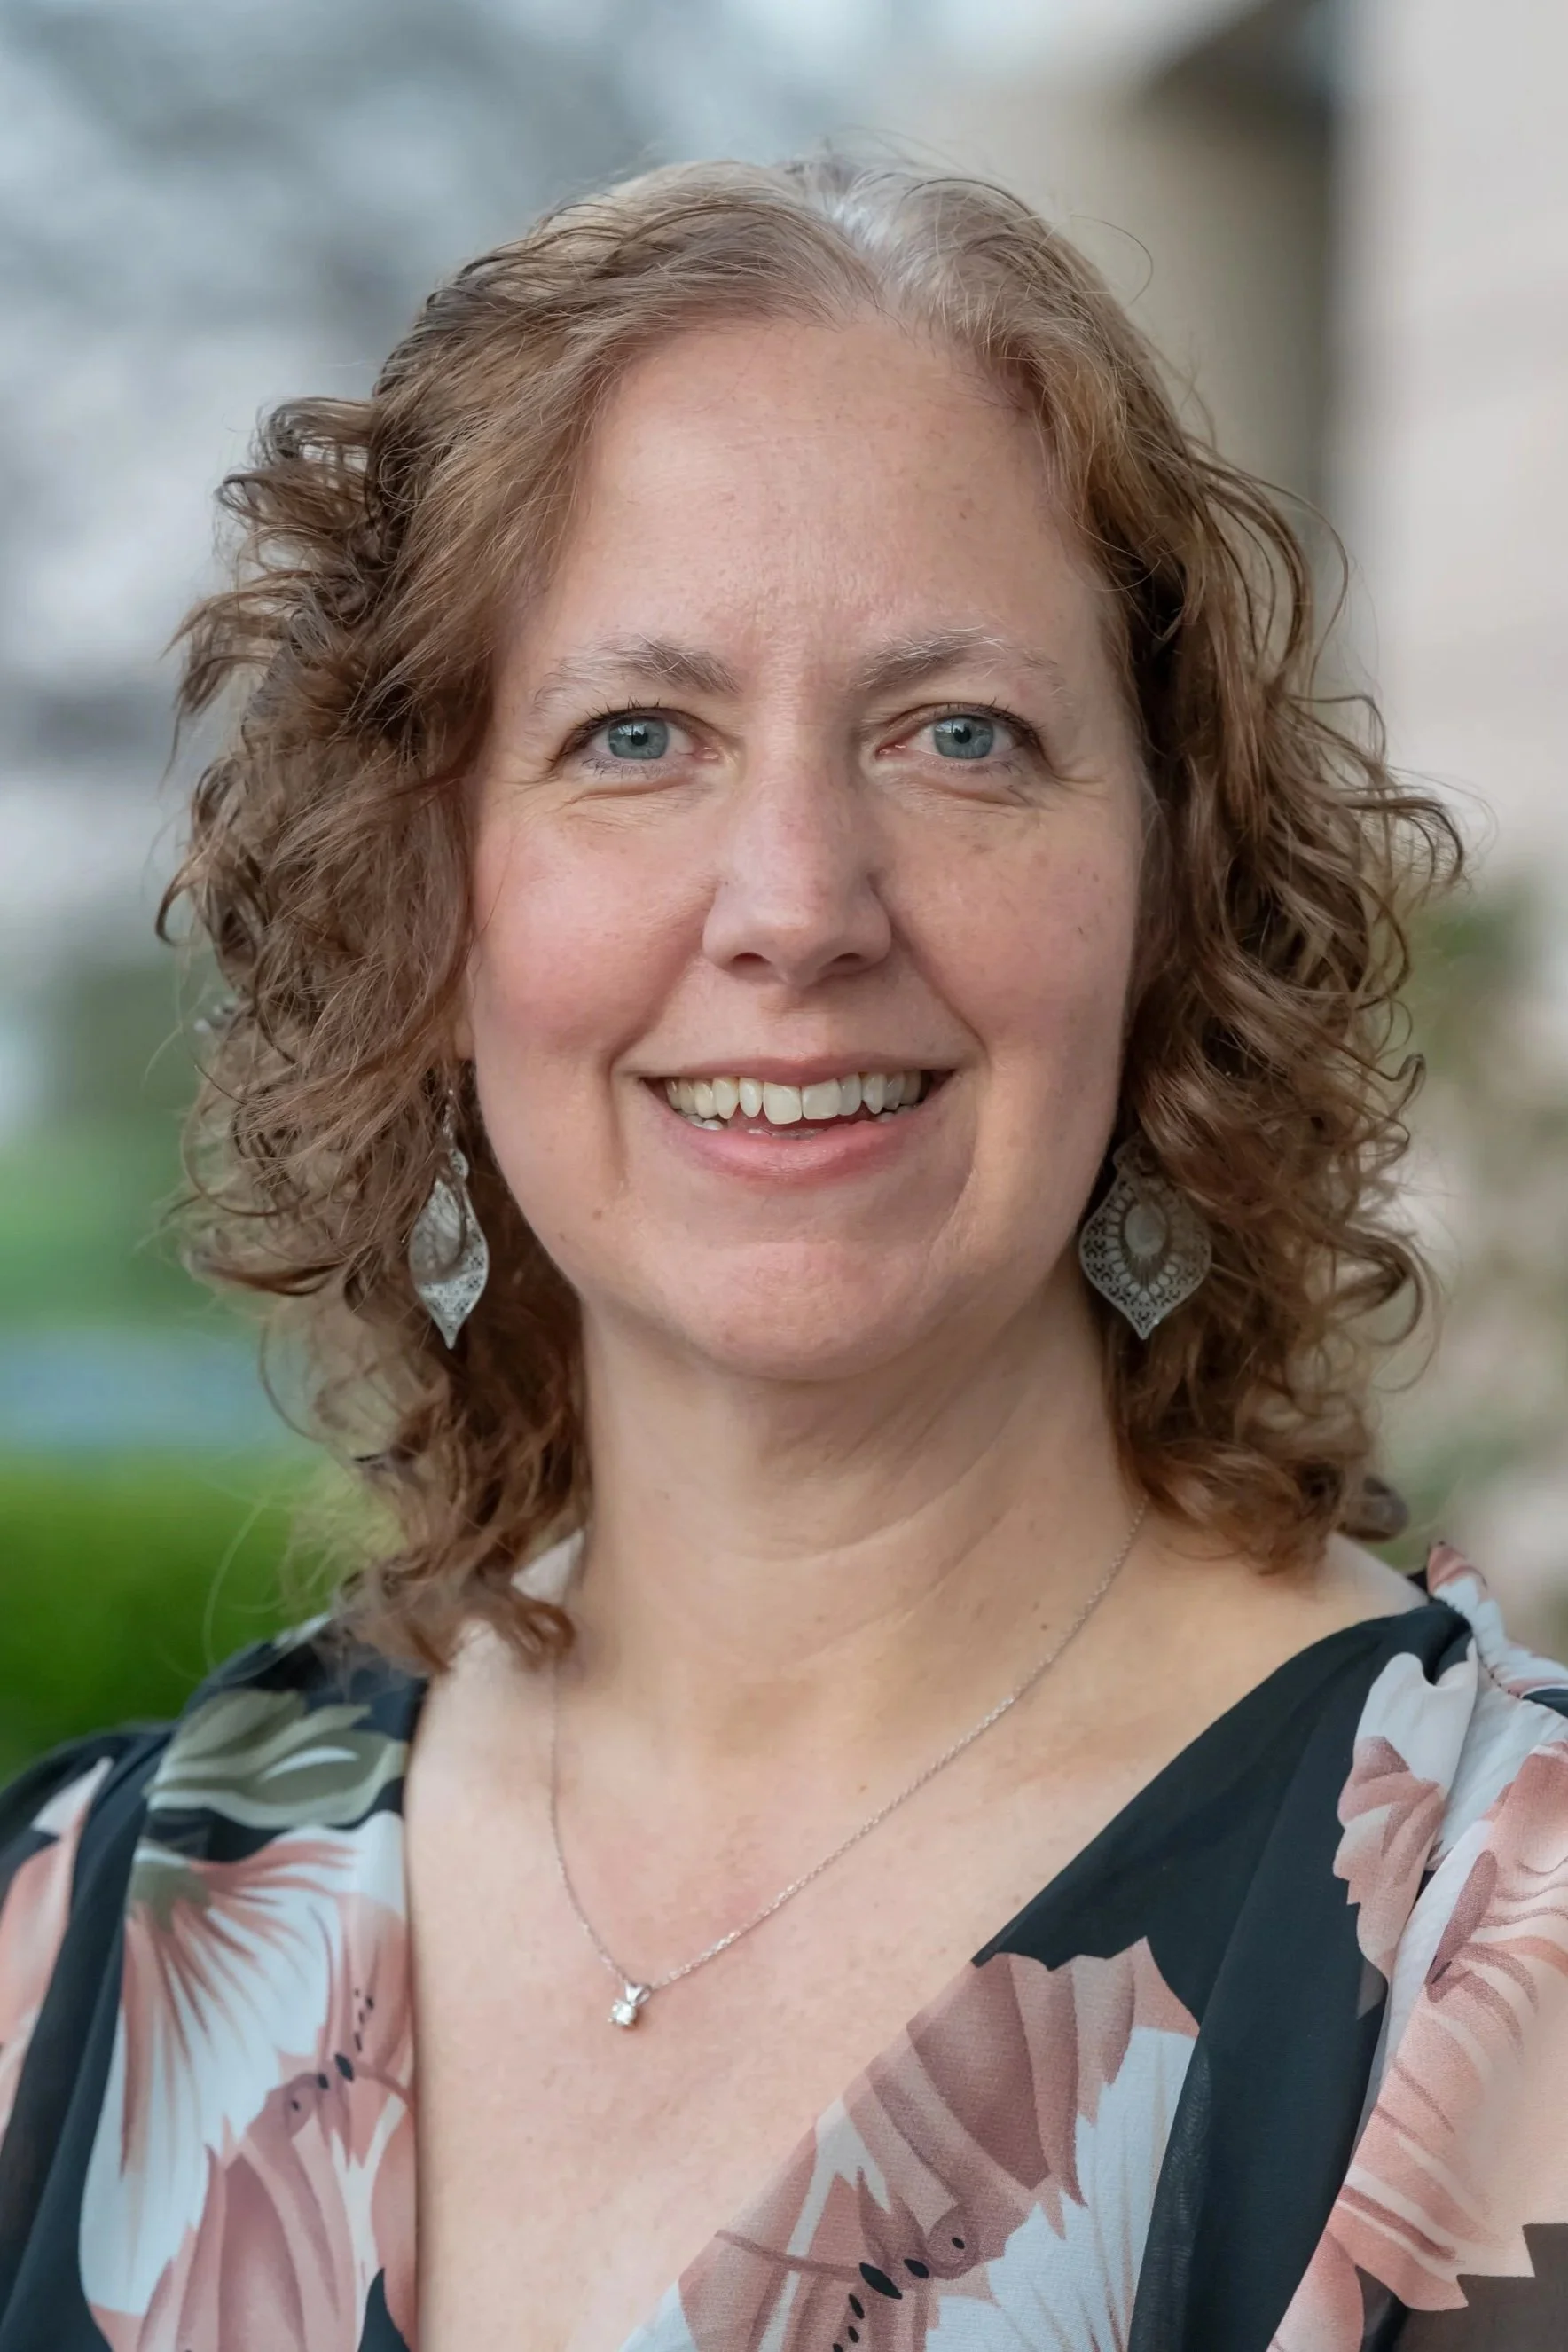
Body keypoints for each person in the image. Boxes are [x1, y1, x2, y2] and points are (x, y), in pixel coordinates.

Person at [2, 152, 1565, 2352]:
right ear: (426, 906)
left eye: (959, 736)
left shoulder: (1496, 1961)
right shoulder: (68, 1954)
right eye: (634, 737)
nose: (798, 904)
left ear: (1169, 891)